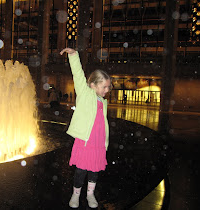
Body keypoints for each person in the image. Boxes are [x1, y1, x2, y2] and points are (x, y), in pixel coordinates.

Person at [60, 48, 111, 208]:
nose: (107, 90)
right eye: (104, 87)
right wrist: (73, 56)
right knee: (81, 171)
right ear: (92, 85)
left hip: (98, 142)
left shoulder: (103, 102)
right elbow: (78, 74)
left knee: (94, 171)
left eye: (108, 87)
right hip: (85, 141)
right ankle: (75, 195)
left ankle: (90, 194)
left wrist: (105, 142)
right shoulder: (84, 93)